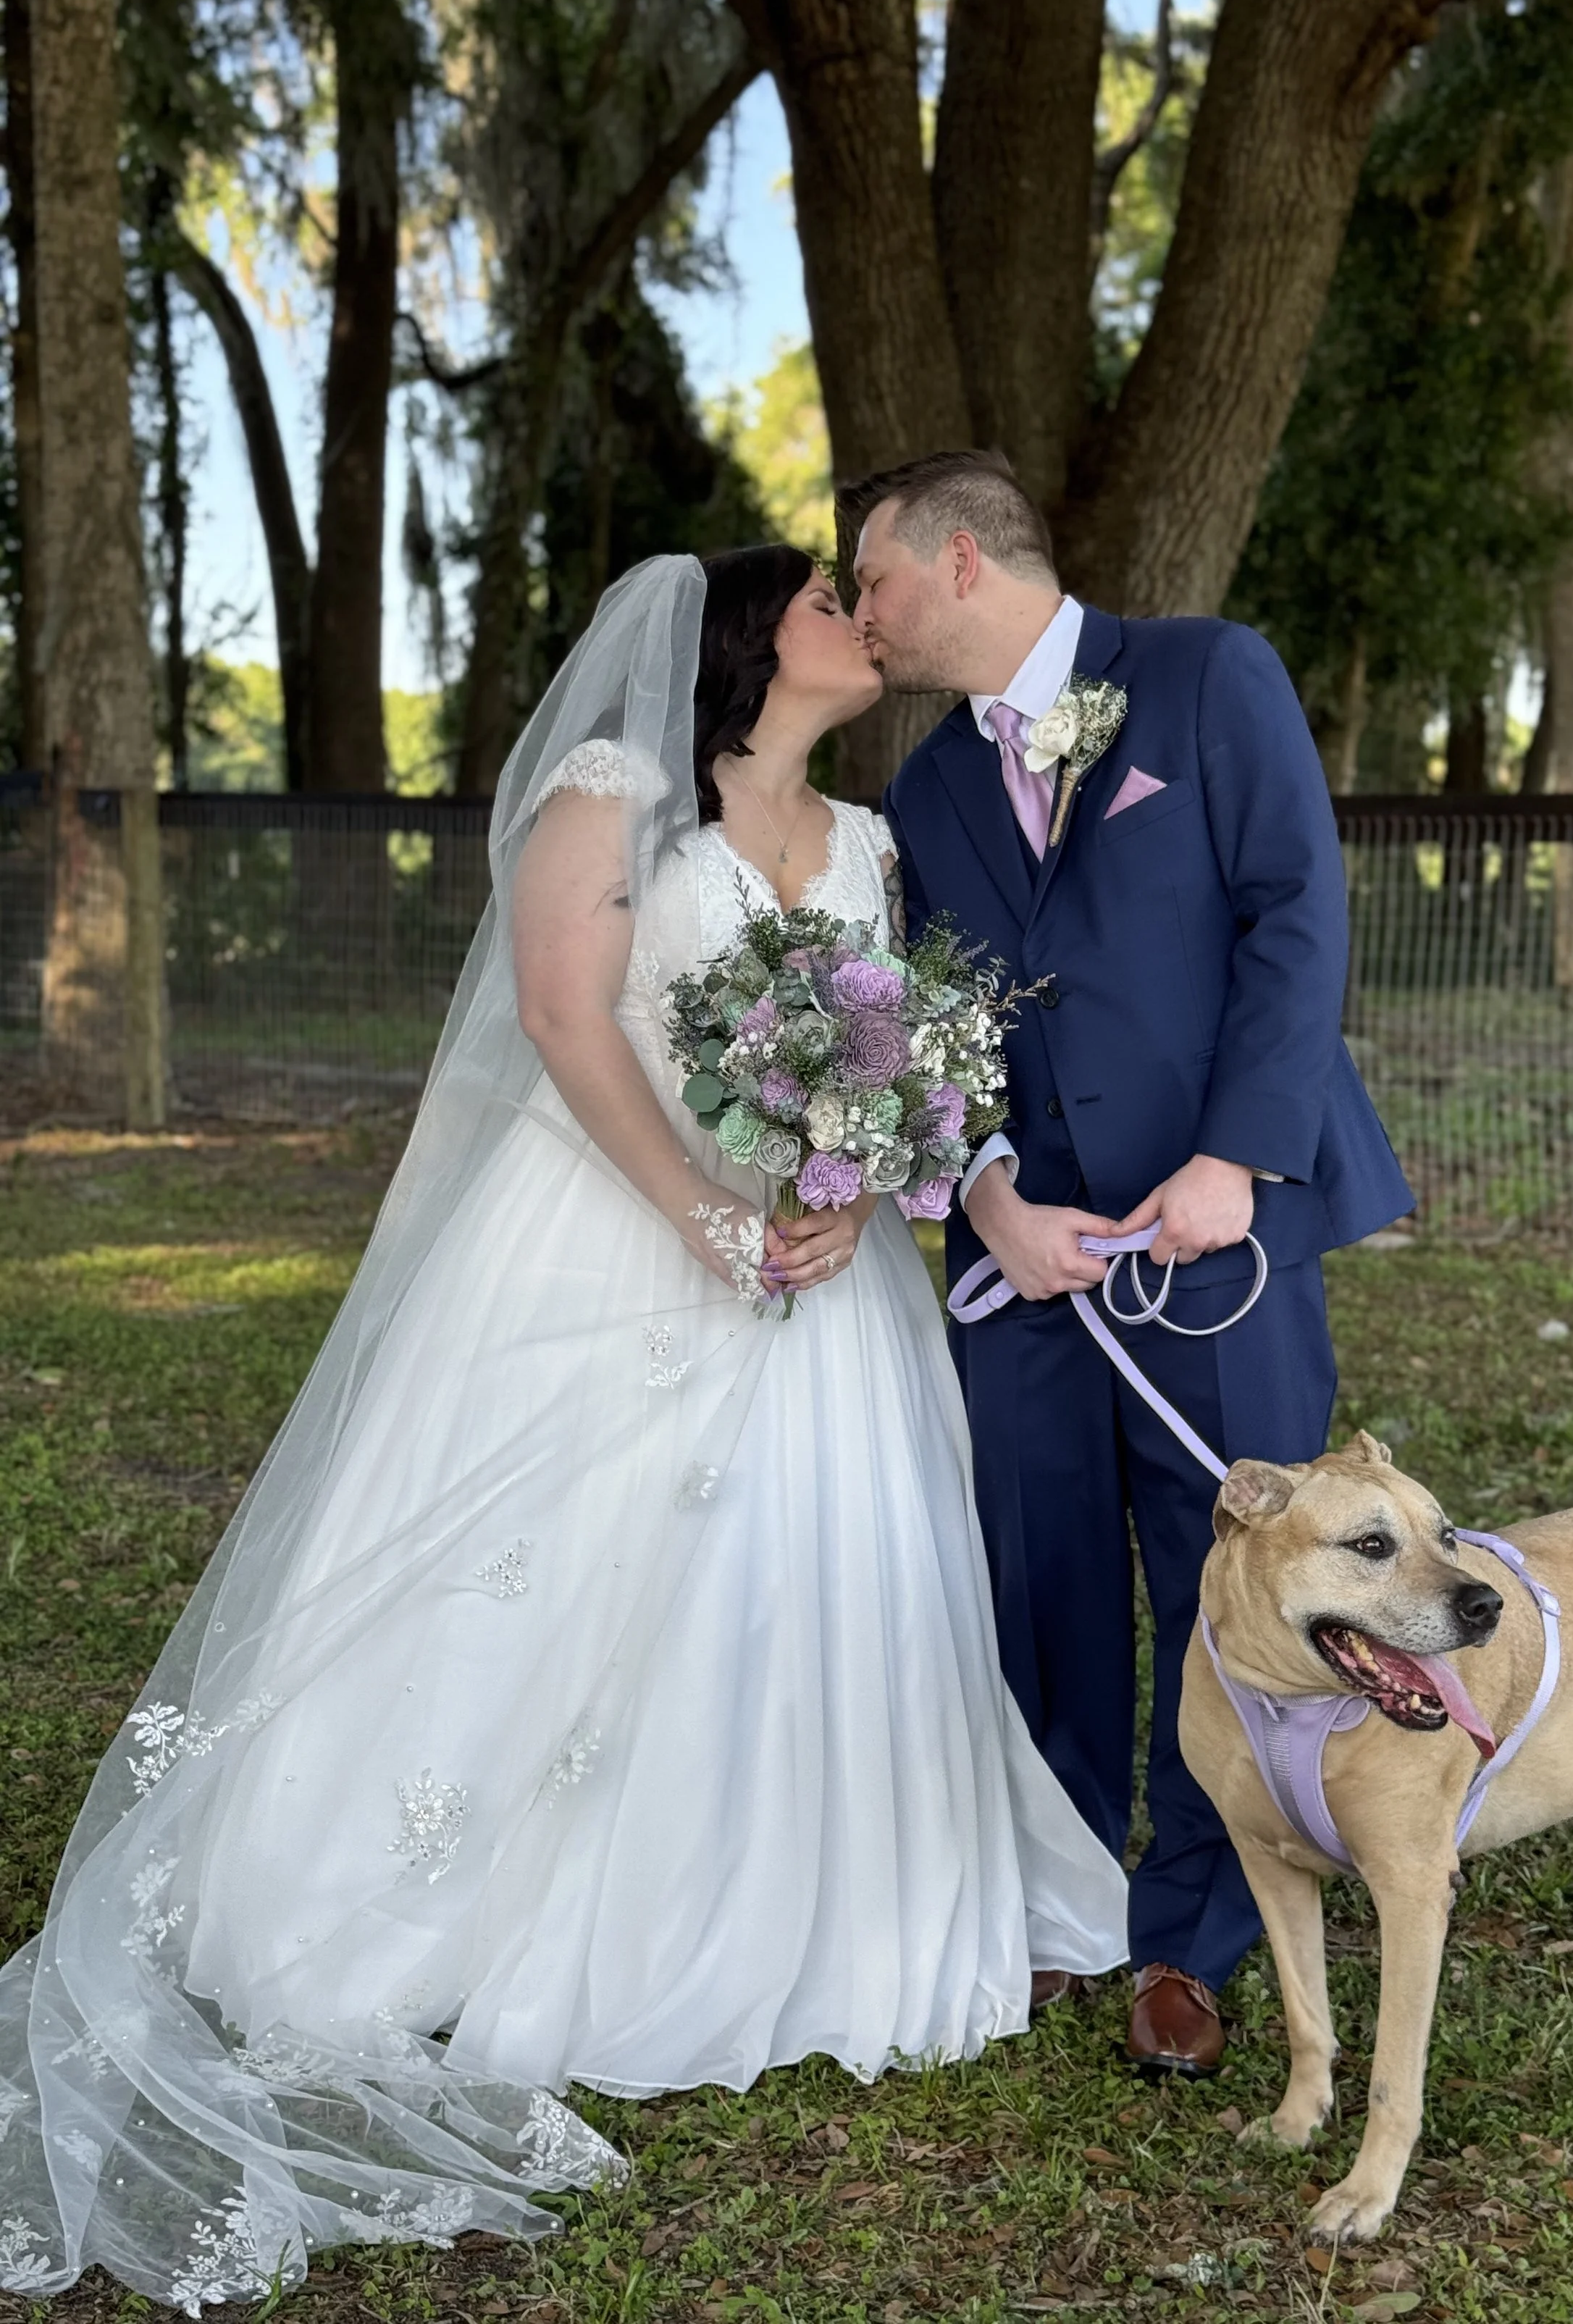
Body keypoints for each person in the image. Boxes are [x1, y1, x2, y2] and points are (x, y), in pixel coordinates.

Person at [0, 550, 1127, 2309]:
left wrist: (859, 1182)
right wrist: (707, 1212)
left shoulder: (874, 842)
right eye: (839, 594)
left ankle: (811, 1906)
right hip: (601, 1236)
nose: (870, 617)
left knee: (822, 1569)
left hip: (820, 1281)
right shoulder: (616, 799)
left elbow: (886, 1056)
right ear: (755, 637)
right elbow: (557, 1014)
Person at [859, 450, 1412, 2079]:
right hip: (1029, 1260)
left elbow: (1293, 915)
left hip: (1211, 1239)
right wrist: (985, 1190)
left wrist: (1234, 1159)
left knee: (1227, 1578)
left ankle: (1191, 1936)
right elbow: (928, 1023)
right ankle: (1058, 1900)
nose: (863, 614)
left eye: (874, 579)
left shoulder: (1200, 676)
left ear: (959, 561)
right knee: (1038, 1575)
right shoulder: (919, 791)